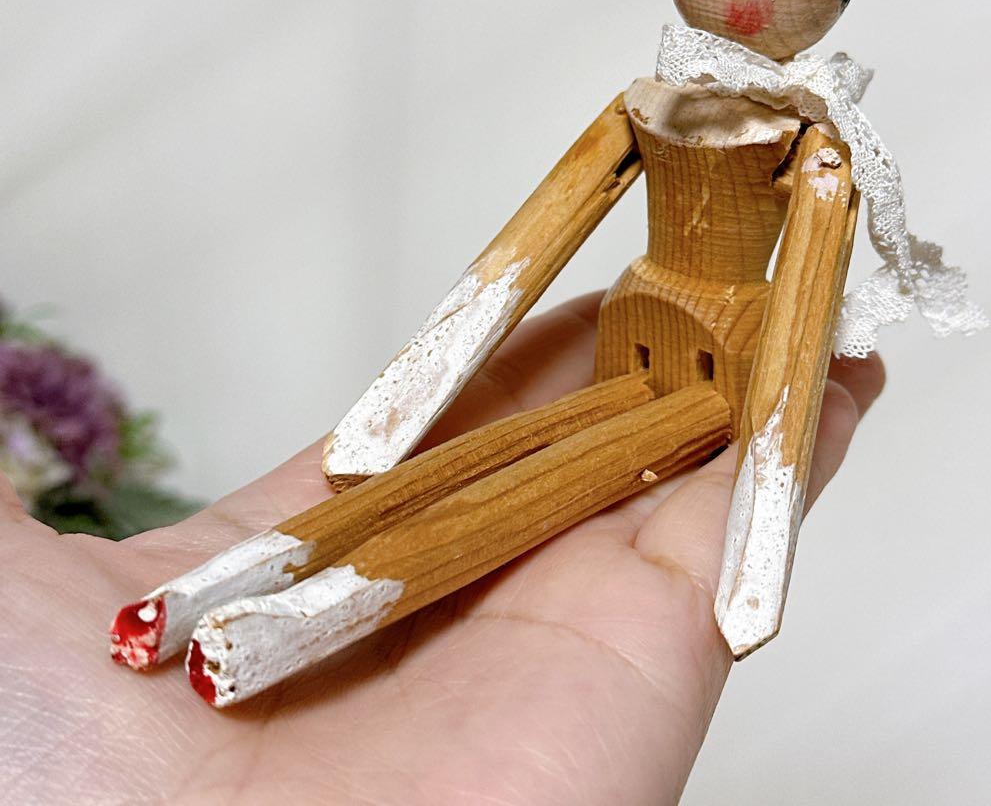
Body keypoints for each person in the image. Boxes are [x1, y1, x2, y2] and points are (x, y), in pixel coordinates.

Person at [0, 292, 883, 803]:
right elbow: (539, 234)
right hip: (633, 365)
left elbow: (803, 312)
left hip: (697, 401)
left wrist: (762, 531)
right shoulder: (661, 105)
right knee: (415, 488)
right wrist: (416, 391)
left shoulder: (821, 149)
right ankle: (189, 603)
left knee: (478, 519)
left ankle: (269, 632)